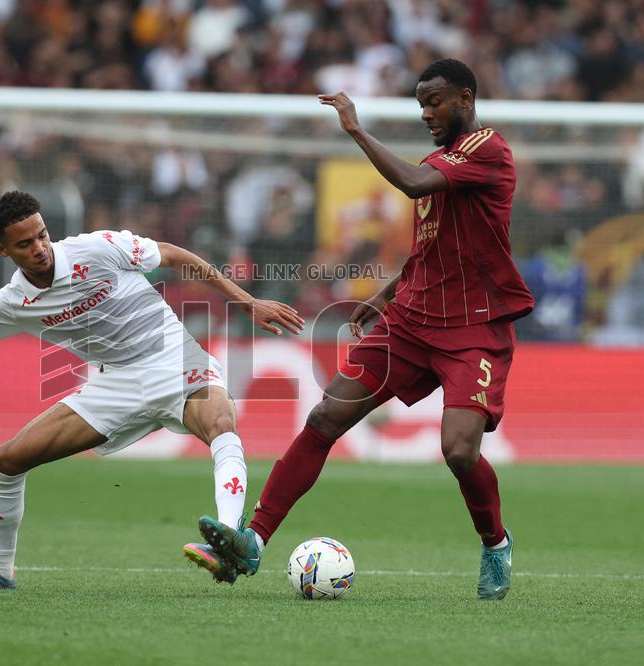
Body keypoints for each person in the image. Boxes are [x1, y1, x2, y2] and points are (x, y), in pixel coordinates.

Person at [0, 190, 304, 590]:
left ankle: (231, 540)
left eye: (42, 235)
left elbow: (174, 255)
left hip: (172, 357)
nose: (40, 248)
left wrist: (246, 302)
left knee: (220, 421)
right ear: (3, 251)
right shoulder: (13, 302)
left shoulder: (97, 247)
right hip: (115, 385)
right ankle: (1, 571)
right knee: (7, 459)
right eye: (25, 243)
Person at [197, 58, 535, 601]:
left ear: (466, 99)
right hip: (411, 323)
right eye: (421, 104)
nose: (426, 113)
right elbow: (430, 249)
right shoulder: (440, 163)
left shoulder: (486, 151)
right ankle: (253, 540)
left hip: (472, 330)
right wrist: (383, 297)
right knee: (325, 416)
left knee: (459, 451)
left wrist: (355, 129)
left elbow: (410, 184)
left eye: (435, 102)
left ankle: (495, 542)